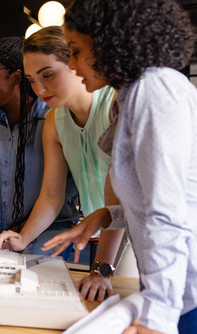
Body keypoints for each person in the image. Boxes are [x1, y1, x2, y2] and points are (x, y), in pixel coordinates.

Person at [42, 1, 197, 334]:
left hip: (186, 290)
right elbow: (157, 194)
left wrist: (155, 319)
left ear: (110, 43)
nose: (73, 64)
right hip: (178, 289)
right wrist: (108, 215)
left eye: (75, 51)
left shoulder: (155, 92)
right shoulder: (135, 94)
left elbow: (168, 213)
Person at [0, 26, 122, 303]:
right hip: (104, 226)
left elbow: (118, 196)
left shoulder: (114, 104)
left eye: (48, 75)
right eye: (32, 80)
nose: (40, 89)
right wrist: (22, 238)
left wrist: (102, 269)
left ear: (74, 63)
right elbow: (51, 196)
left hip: (135, 228)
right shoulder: (54, 121)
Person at [0, 37, 79, 256]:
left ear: (16, 77)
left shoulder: (52, 118)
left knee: (29, 282)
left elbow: (61, 191)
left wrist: (21, 231)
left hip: (46, 231)